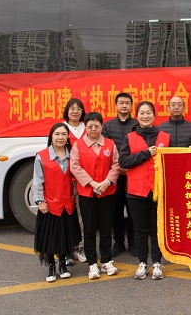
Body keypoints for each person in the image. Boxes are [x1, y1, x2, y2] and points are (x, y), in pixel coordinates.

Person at [119, 101, 170, 280]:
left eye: (148, 113)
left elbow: (174, 160)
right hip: (136, 190)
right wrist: (146, 154)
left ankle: (156, 262)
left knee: (156, 228)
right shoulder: (129, 137)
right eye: (142, 113)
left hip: (158, 190)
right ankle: (142, 262)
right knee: (139, 229)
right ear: (137, 116)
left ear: (154, 116)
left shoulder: (165, 136)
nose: (145, 116)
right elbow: (123, 161)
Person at [70, 112, 121, 280]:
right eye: (90, 126)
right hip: (87, 192)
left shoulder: (110, 144)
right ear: (85, 127)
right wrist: (92, 183)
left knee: (106, 227)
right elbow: (75, 167)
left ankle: (106, 260)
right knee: (89, 229)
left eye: (96, 126)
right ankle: (92, 263)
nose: (93, 129)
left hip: (107, 192)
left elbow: (116, 164)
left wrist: (107, 181)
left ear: (102, 126)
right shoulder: (78, 145)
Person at [33, 123, 81, 282]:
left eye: (64, 134)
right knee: (50, 237)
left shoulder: (72, 155)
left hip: (67, 204)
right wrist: (40, 201)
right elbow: (37, 181)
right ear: (51, 136)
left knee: (64, 236)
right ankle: (51, 267)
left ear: (68, 137)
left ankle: (62, 265)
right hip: (50, 204)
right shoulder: (42, 156)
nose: (60, 137)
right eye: (57, 134)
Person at [102, 92, 138, 257]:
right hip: (115, 176)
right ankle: (118, 242)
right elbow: (105, 150)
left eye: (127, 103)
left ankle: (133, 242)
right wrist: (118, 168)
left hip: (133, 175)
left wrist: (129, 166)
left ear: (131, 106)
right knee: (115, 210)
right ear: (115, 105)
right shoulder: (108, 126)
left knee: (133, 210)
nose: (124, 105)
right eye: (121, 103)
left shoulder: (137, 124)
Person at [62, 98, 87, 264]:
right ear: (67, 111)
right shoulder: (61, 129)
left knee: (81, 216)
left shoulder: (87, 128)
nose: (75, 111)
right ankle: (66, 250)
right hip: (64, 178)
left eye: (78, 109)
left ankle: (80, 247)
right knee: (66, 213)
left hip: (83, 179)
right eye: (72, 108)